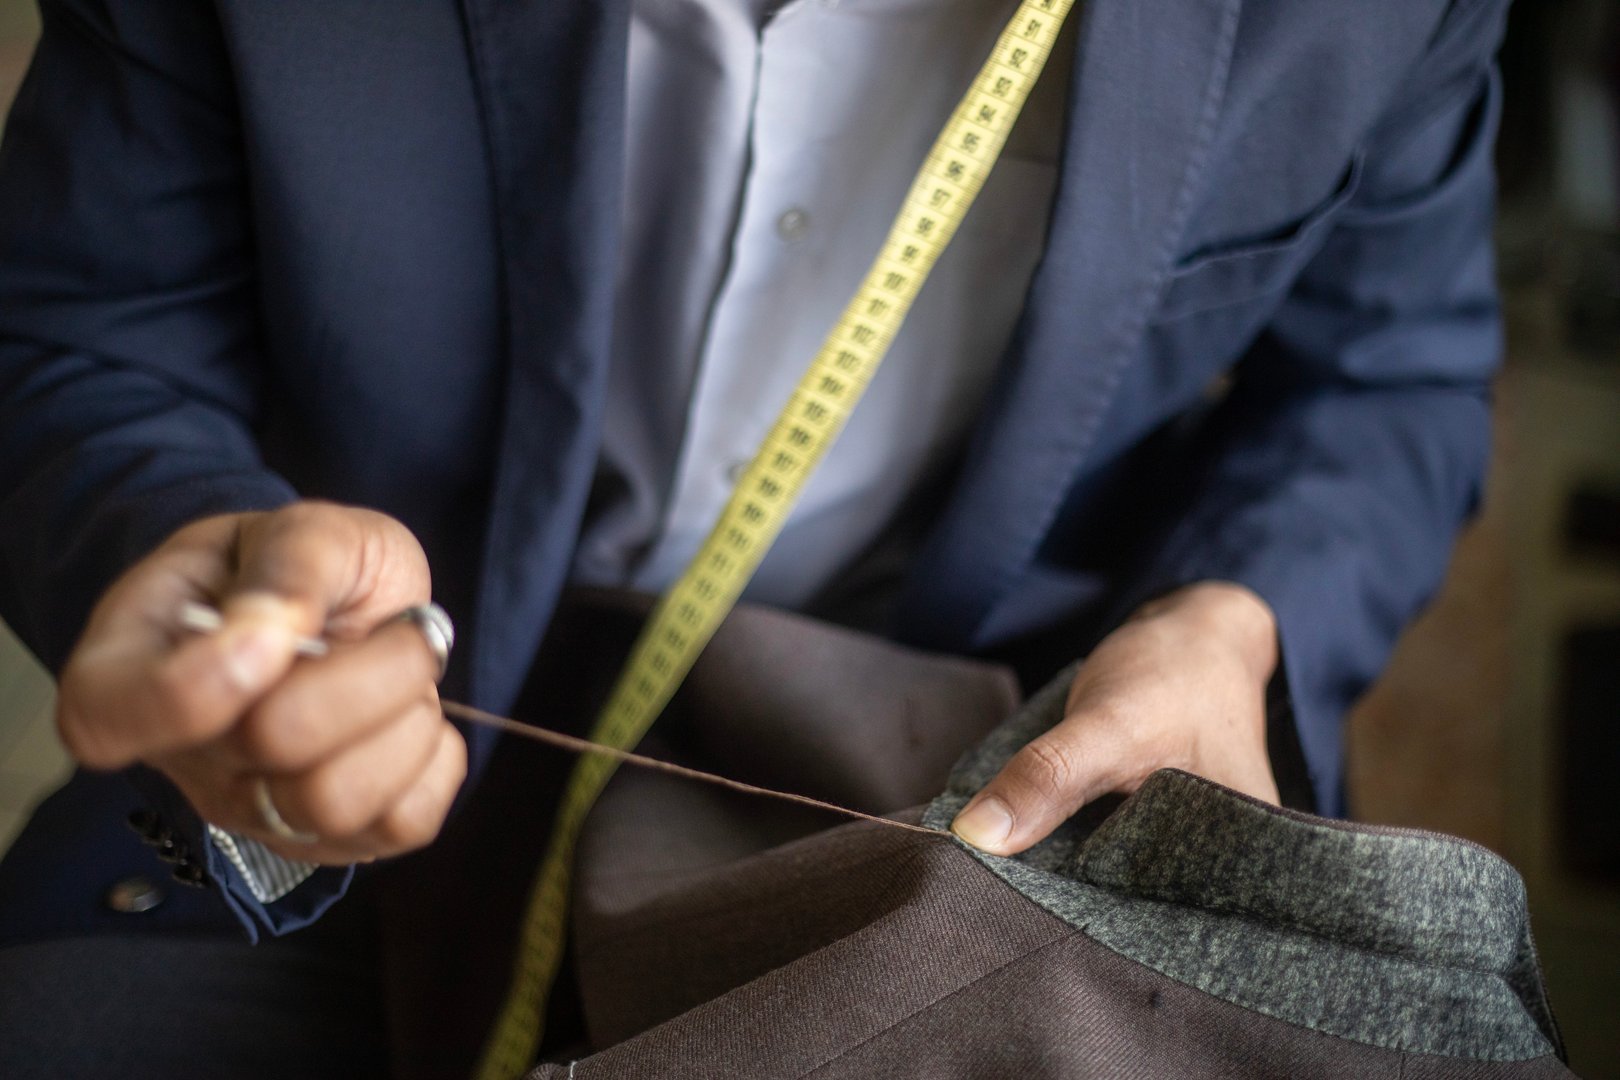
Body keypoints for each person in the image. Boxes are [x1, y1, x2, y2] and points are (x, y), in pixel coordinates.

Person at [0, 0, 1511, 1074]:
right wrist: (202, 555)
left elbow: (1392, 380)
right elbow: (82, 334)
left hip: (977, 738)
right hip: (372, 696)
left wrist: (1234, 616)